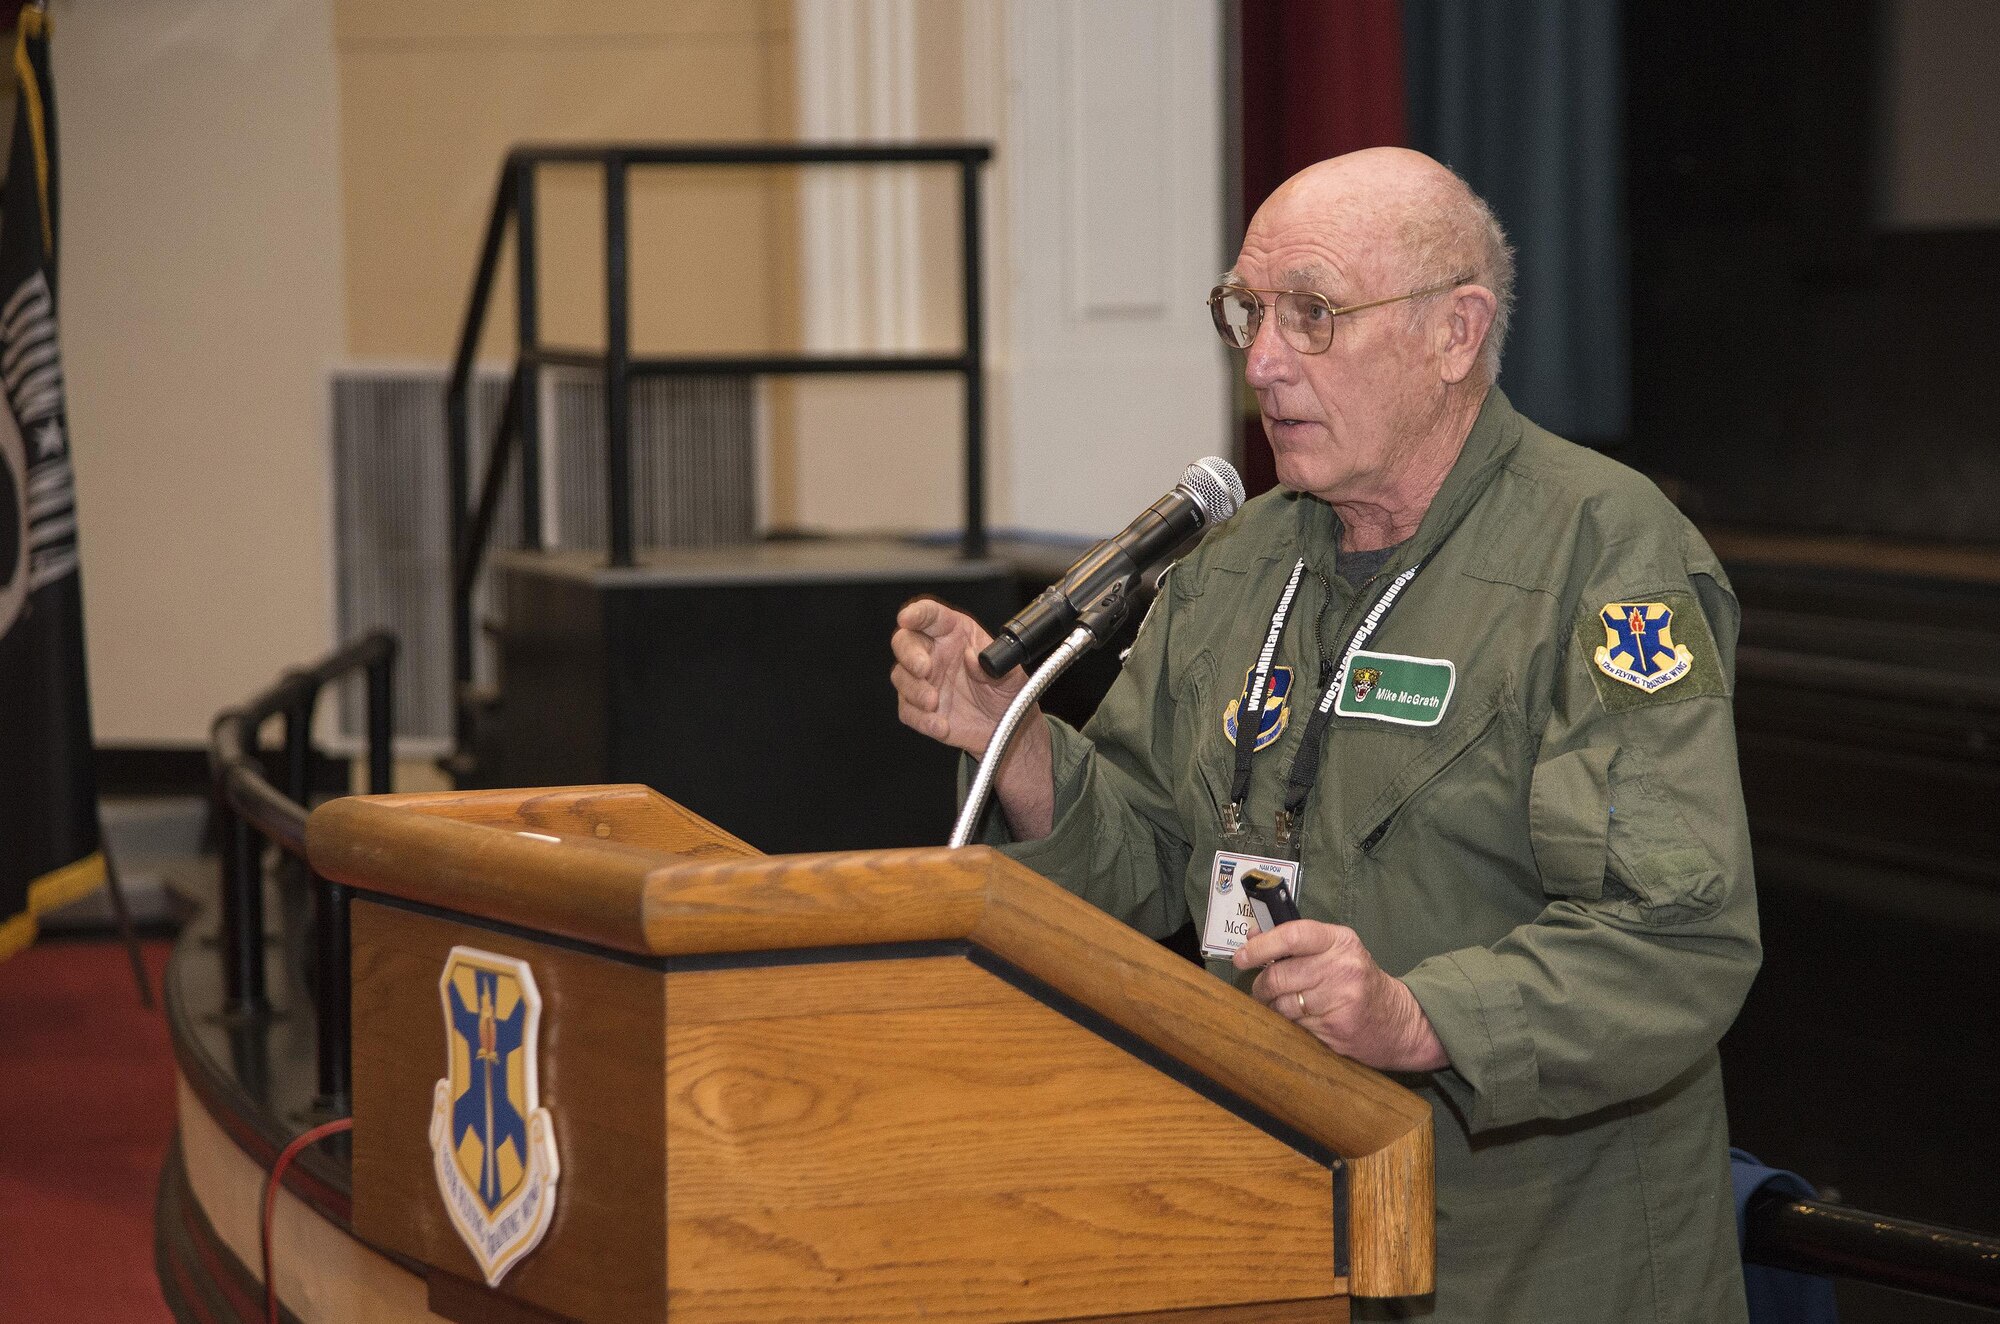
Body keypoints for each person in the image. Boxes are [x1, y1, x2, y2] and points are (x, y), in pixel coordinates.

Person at [891, 148, 1760, 1323]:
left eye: (1312, 314)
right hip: (1276, 1237)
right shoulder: (1232, 564)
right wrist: (1023, 746)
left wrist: (1416, 1014)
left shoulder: (1610, 559)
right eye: (1246, 313)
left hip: (1536, 1261)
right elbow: (1146, 852)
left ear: (1454, 333)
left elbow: (1680, 936)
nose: (1260, 362)